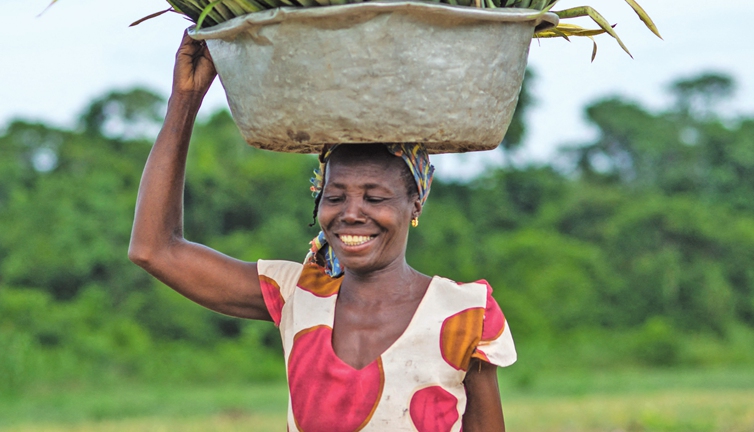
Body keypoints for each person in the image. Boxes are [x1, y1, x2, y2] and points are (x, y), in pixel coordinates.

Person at [128, 34, 516, 431]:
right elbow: (154, 249)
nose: (350, 213)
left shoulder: (465, 314)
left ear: (415, 202)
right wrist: (185, 99)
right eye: (335, 196)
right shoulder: (299, 293)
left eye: (374, 197)